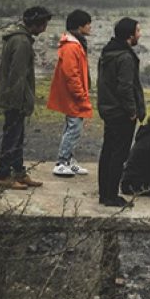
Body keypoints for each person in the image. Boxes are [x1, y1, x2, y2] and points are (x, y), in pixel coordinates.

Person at [0, 6, 52, 189]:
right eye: (43, 24)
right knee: (12, 137)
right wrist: (18, 101)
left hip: (14, 97)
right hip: (15, 99)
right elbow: (17, 75)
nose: (44, 28)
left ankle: (18, 172)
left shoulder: (19, 39)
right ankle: (4, 175)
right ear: (36, 24)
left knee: (17, 137)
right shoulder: (22, 42)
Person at [97, 17, 145, 207]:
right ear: (129, 35)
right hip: (121, 113)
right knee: (118, 155)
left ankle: (105, 193)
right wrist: (132, 111)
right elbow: (125, 87)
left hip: (109, 109)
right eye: (138, 31)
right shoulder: (125, 57)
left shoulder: (109, 52)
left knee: (108, 152)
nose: (140, 34)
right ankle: (111, 196)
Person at [47, 9, 93, 177]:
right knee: (74, 127)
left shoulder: (75, 44)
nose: (90, 27)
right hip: (73, 96)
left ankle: (68, 160)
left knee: (72, 126)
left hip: (74, 94)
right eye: (88, 24)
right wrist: (81, 95)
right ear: (80, 26)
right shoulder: (71, 47)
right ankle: (62, 161)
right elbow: (71, 74)